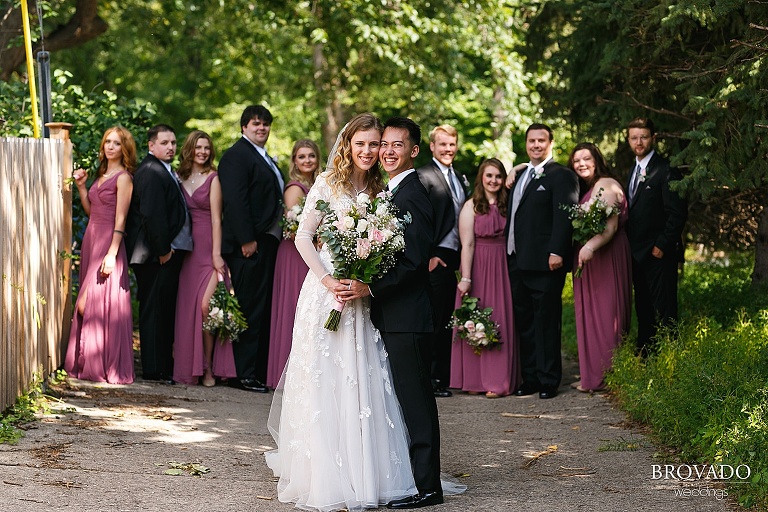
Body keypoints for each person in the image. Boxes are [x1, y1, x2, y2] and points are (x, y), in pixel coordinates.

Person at [265, 113, 418, 511]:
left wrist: (366, 275)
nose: (368, 151)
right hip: (326, 294)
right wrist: (328, 280)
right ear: (348, 145)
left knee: (361, 379)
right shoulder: (327, 184)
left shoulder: (381, 188)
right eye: (361, 144)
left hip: (361, 297)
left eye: (374, 144)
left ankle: (365, 472)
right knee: (326, 378)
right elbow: (302, 238)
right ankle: (326, 475)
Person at [343, 116, 448, 509]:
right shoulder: (389, 192)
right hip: (393, 315)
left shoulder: (412, 193)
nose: (386, 151)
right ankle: (414, 478)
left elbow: (415, 260)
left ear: (413, 151)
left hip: (409, 317)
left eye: (397, 145)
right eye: (383, 143)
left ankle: (429, 488)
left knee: (416, 399)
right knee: (403, 399)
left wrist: (369, 286)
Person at [505, 123, 579, 399]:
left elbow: (565, 215)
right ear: (526, 144)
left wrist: (558, 251)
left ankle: (549, 380)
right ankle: (531, 378)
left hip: (546, 263)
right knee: (524, 322)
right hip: (517, 260)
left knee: (546, 322)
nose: (536, 145)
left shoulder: (562, 175)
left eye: (541, 140)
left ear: (550, 143)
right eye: (531, 140)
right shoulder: (521, 173)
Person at [218, 105, 284, 393]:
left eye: (266, 124)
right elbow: (235, 201)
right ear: (244, 127)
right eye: (256, 123)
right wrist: (246, 239)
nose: (261, 128)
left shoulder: (265, 158)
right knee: (249, 308)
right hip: (249, 245)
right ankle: (245, 374)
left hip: (265, 243)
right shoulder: (236, 156)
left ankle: (255, 370)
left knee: (259, 307)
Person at [65, 126, 136, 384]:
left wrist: (112, 254)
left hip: (108, 242)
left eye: (116, 143)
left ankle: (104, 364)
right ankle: (89, 363)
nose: (111, 147)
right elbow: (90, 210)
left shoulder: (124, 178)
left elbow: (121, 219)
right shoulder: (101, 175)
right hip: (91, 241)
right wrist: (83, 187)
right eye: (108, 142)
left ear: (124, 148)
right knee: (91, 305)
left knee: (89, 304)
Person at [126, 124, 192, 383]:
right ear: (151, 145)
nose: (171, 147)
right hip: (154, 254)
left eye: (173, 142)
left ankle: (162, 366)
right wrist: (163, 249)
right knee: (154, 311)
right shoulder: (151, 170)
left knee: (163, 310)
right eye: (164, 142)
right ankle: (154, 370)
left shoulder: (164, 169)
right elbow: (152, 215)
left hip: (161, 252)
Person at [172, 130, 237, 386]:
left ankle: (209, 367)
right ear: (190, 149)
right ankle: (190, 366)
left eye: (207, 148)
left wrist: (216, 254)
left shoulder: (214, 178)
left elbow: (216, 219)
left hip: (209, 247)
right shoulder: (179, 177)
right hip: (186, 250)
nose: (203, 152)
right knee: (188, 311)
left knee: (206, 307)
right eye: (198, 147)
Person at [451, 158, 519, 398]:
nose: (493, 180)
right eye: (489, 175)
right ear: (481, 177)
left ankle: (498, 381)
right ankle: (474, 379)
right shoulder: (471, 206)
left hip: (502, 266)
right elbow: (467, 244)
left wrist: (518, 169)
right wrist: (466, 277)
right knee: (474, 317)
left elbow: (525, 170)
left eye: (498, 176)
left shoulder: (507, 203)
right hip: (478, 265)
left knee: (501, 318)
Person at [568, 143, 632, 392]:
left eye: (586, 158)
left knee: (606, 314)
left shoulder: (606, 184)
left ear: (597, 160)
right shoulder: (590, 188)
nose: (581, 163)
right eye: (576, 160)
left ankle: (608, 377)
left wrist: (590, 247)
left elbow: (611, 227)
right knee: (590, 315)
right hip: (591, 260)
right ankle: (592, 373)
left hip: (606, 257)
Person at [625, 118, 687, 355]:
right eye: (634, 137)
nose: (639, 142)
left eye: (643, 137)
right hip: (637, 255)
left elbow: (677, 213)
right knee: (643, 307)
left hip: (659, 254)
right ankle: (646, 356)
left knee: (665, 308)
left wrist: (661, 245)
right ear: (629, 140)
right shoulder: (633, 170)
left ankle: (671, 358)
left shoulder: (666, 169)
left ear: (653, 138)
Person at [416, 124, 467, 398]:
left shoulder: (459, 177)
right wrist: (429, 256)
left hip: (457, 257)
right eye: (443, 144)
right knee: (435, 319)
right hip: (436, 257)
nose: (448, 149)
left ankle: (445, 376)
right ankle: (433, 378)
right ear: (432, 147)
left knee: (447, 317)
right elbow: (419, 222)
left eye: (452, 144)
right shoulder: (424, 176)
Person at [266, 139, 321, 388]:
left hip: (311, 254)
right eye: (301, 157)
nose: (307, 160)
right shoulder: (294, 188)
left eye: (311, 156)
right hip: (294, 255)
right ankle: (285, 374)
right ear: (294, 161)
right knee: (294, 308)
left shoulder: (318, 184)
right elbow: (293, 226)